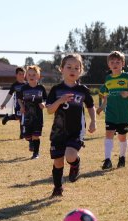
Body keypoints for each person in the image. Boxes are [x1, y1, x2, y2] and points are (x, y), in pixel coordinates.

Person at [46, 54, 96, 197]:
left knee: (70, 155)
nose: (72, 70)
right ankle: (57, 188)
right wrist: (60, 101)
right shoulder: (56, 90)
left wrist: (93, 121)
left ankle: (75, 164)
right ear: (61, 69)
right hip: (58, 132)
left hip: (76, 131)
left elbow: (90, 106)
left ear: (81, 71)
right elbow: (49, 110)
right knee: (58, 162)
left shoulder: (83, 90)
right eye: (68, 67)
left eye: (76, 67)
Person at [97, 51, 128, 170]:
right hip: (111, 113)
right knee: (108, 135)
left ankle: (122, 157)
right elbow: (105, 95)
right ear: (109, 65)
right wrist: (102, 107)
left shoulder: (127, 77)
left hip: (124, 114)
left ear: (123, 64)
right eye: (112, 62)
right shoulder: (108, 79)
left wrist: (127, 93)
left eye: (118, 62)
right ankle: (107, 160)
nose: (115, 64)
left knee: (122, 137)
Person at [18, 65, 47, 159]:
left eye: (34, 75)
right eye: (29, 74)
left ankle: (36, 153)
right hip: (27, 116)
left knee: (36, 136)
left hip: (38, 116)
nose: (31, 76)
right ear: (26, 76)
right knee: (27, 136)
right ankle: (30, 142)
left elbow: (46, 100)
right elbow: (19, 99)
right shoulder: (24, 88)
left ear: (38, 76)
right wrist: (22, 107)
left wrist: (43, 103)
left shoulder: (41, 88)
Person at [0, 67, 26, 139]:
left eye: (23, 74)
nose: (22, 76)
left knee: (22, 117)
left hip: (25, 104)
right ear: (16, 75)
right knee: (19, 117)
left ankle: (22, 134)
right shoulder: (14, 85)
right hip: (17, 103)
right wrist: (4, 103)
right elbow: (9, 95)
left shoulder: (27, 84)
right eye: (20, 74)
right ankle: (8, 118)